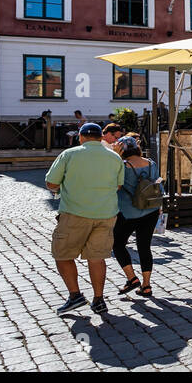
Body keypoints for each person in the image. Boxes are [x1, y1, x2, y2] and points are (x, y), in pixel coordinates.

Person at [44, 123, 126, 315]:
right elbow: (118, 186)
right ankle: (98, 299)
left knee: (62, 254)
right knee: (97, 258)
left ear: (80, 137)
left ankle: (75, 295)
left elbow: (51, 183)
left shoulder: (69, 154)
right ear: (100, 138)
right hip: (106, 215)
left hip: (75, 213)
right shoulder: (115, 158)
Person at [112, 136, 161, 298]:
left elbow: (114, 185)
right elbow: (158, 185)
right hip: (150, 210)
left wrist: (115, 157)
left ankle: (132, 278)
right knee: (144, 247)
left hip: (128, 212)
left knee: (118, 244)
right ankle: (146, 285)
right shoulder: (151, 163)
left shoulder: (121, 165)